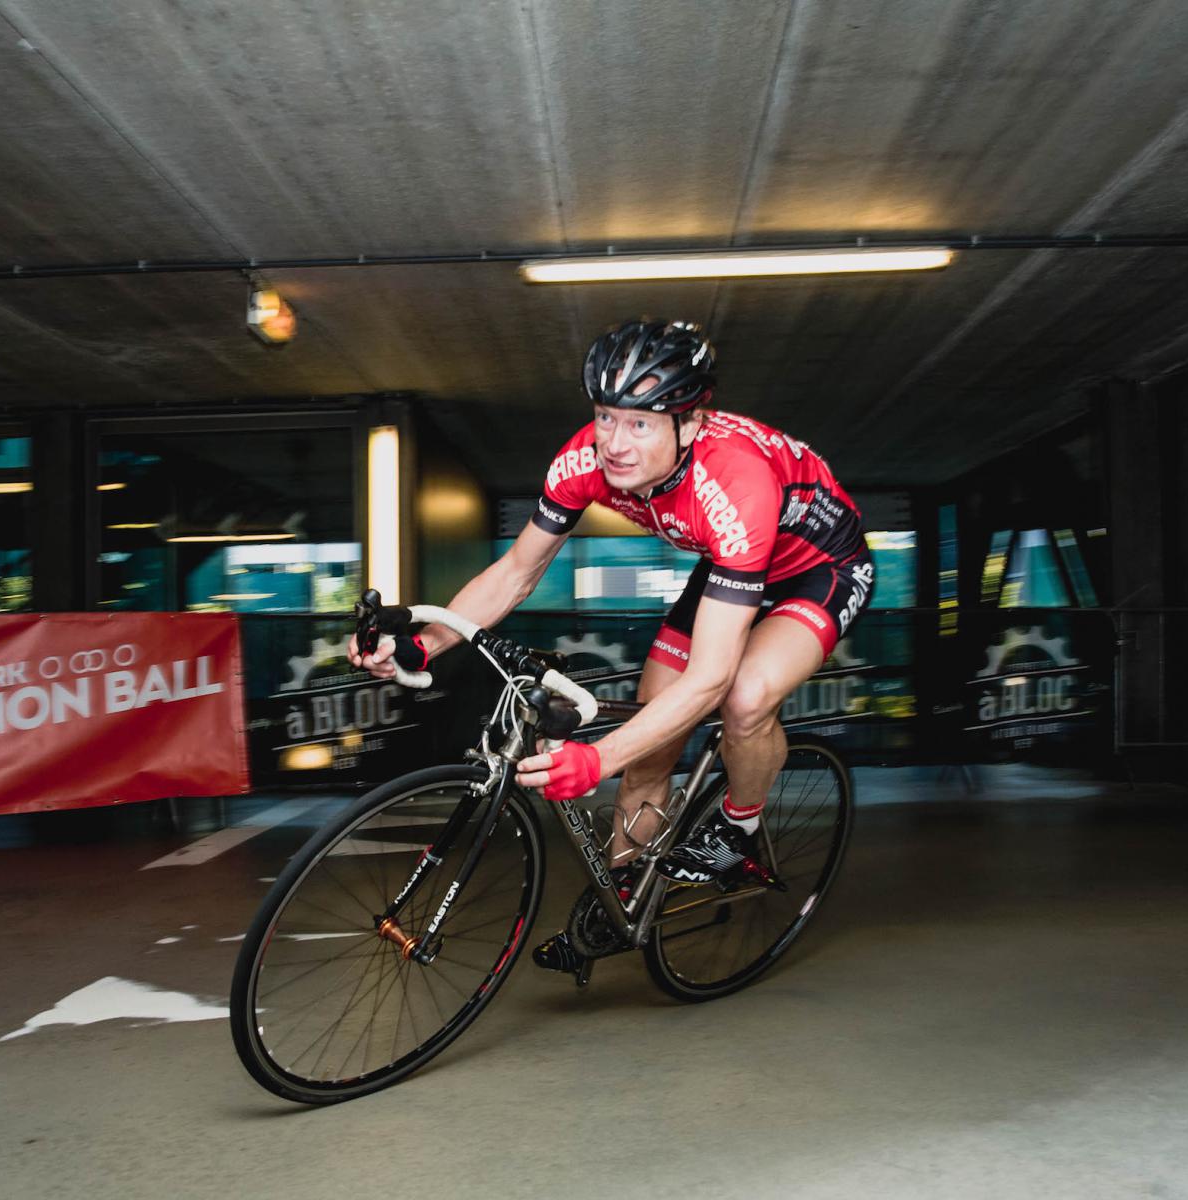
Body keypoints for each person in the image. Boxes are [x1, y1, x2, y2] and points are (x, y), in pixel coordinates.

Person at [349, 318, 873, 971]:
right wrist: (427, 645)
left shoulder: (734, 482)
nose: (613, 442)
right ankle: (622, 903)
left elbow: (709, 677)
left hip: (817, 570)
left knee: (743, 695)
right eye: (604, 416)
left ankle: (737, 828)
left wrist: (595, 762)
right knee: (652, 744)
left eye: (640, 423)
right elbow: (517, 572)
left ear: (691, 424)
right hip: (728, 566)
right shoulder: (581, 461)